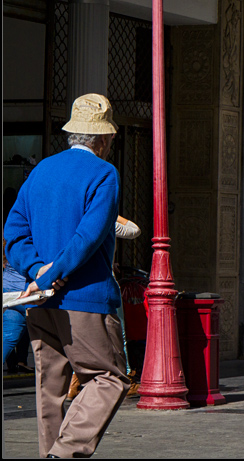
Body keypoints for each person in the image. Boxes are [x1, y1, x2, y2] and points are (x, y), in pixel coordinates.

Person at [3, 93, 130, 458]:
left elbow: (14, 231)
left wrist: (35, 270)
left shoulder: (41, 169)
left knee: (50, 387)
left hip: (40, 301)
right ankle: (65, 452)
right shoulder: (104, 173)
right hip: (84, 297)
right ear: (103, 139)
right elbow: (88, 236)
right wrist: (51, 274)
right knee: (108, 378)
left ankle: (51, 453)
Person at [3, 237, 32, 375]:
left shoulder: (9, 247)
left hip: (9, 292)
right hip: (28, 294)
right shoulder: (29, 245)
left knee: (9, 337)